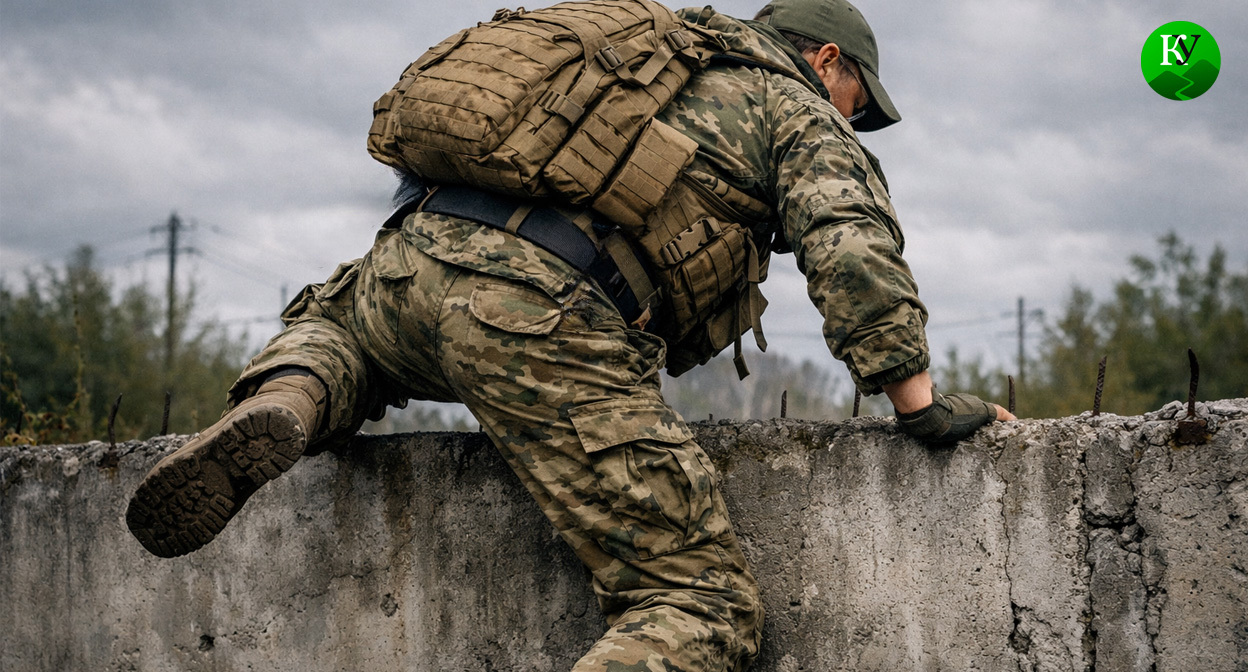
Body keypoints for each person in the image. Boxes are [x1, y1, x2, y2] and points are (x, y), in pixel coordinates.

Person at [126, 0, 1015, 669]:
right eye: (859, 100)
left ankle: (293, 396)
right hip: (536, 314)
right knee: (701, 602)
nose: (855, 119)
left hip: (404, 265)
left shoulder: (651, 61)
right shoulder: (795, 108)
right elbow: (850, 246)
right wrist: (917, 400)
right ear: (828, 60)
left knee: (340, 336)